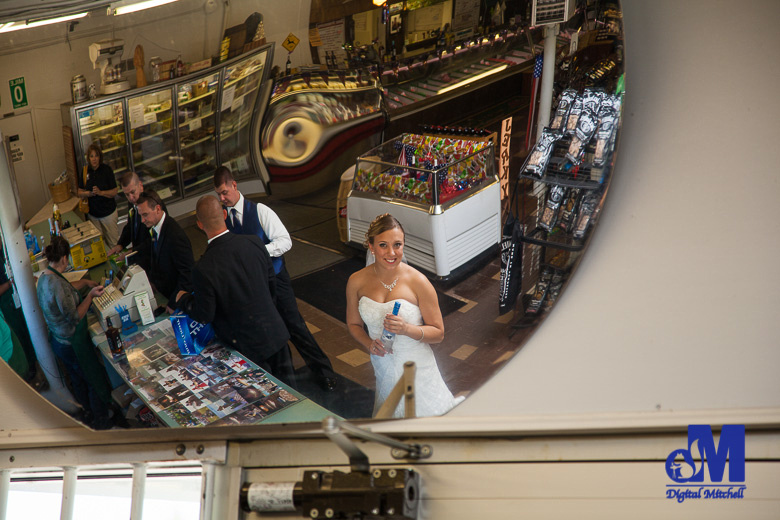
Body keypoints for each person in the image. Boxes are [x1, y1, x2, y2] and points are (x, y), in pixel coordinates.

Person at [214, 167, 337, 391]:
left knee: (295, 325)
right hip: (253, 287)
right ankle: (287, 379)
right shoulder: (223, 218)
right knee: (272, 331)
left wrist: (259, 252)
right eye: (218, 195)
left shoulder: (261, 211)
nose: (222, 198)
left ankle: (324, 372)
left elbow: (285, 241)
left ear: (234, 185)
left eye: (224, 192)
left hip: (276, 279)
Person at [346, 214, 463, 418]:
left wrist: (406, 329)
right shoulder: (356, 281)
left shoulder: (418, 282)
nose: (392, 253)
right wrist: (368, 343)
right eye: (383, 245)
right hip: (383, 363)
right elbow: (354, 323)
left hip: (417, 366)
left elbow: (439, 333)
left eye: (398, 245)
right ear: (371, 246)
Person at [176, 195, 294, 384]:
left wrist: (183, 299)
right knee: (292, 395)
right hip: (275, 334)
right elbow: (271, 285)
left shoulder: (203, 268)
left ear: (199, 224)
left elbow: (205, 314)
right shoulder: (254, 243)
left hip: (246, 349)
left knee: (265, 403)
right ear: (224, 214)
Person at [36, 236, 114, 429]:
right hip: (72, 343)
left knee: (77, 380)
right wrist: (91, 296)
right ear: (65, 258)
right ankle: (101, 420)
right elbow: (74, 316)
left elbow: (68, 289)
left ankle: (86, 414)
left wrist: (86, 282)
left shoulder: (46, 276)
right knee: (91, 380)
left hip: (59, 342)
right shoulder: (58, 284)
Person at [136, 190, 194, 313]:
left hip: (174, 300)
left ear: (157, 209)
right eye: (140, 215)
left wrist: (173, 304)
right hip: (162, 294)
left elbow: (188, 274)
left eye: (145, 215)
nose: (142, 220)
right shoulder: (155, 228)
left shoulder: (175, 235)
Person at [106, 171, 153, 271]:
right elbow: (130, 225)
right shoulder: (133, 203)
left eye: (133, 192)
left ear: (140, 185)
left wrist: (133, 251)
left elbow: (154, 238)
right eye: (127, 195)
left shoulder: (151, 204)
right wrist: (120, 244)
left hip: (152, 259)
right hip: (140, 259)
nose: (131, 198)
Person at [77, 143, 119, 248]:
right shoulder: (85, 171)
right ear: (88, 158)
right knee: (99, 245)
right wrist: (87, 194)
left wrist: (101, 193)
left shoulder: (106, 170)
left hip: (108, 214)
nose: (94, 159)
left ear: (100, 157)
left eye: (96, 156)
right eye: (91, 156)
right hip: (93, 216)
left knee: (113, 243)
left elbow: (114, 191)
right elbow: (79, 192)